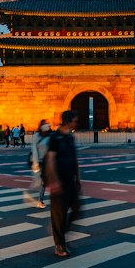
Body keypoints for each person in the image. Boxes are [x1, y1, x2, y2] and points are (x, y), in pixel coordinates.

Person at [43, 110, 81, 257]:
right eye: (75, 121)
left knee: (77, 209)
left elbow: (74, 158)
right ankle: (59, 245)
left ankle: (60, 232)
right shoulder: (55, 137)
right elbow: (50, 160)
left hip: (71, 180)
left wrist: (78, 178)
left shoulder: (70, 137)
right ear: (68, 121)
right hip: (59, 181)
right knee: (59, 215)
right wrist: (54, 181)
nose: (76, 124)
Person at [24, 119, 51, 208]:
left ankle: (34, 195)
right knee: (42, 182)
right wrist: (35, 164)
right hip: (39, 162)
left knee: (43, 182)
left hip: (47, 162)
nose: (46, 126)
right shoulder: (36, 136)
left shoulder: (49, 136)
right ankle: (40, 200)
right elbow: (34, 150)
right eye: (44, 124)